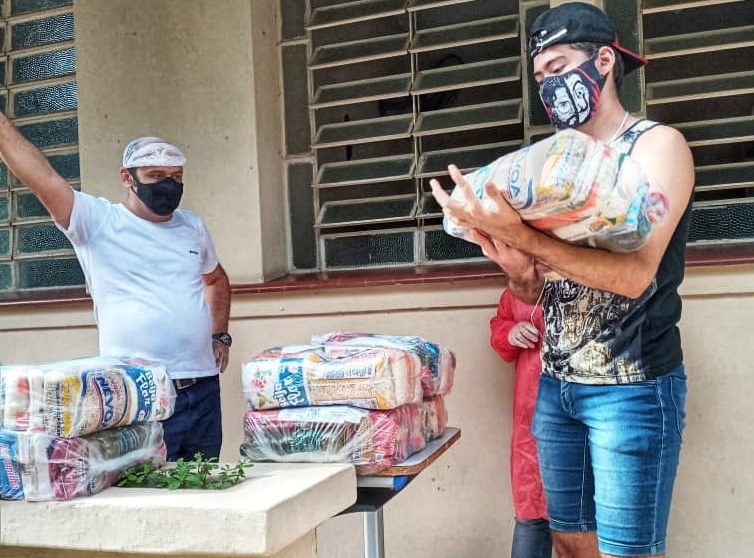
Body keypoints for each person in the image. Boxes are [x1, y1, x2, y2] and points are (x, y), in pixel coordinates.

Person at [430, 3, 694, 557]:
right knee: (568, 542)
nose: (549, 85)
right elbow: (534, 293)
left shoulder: (656, 147)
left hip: (632, 388)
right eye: (540, 76)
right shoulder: (552, 167)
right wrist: (514, 264)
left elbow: (635, 276)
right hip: (557, 385)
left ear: (604, 60)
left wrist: (526, 239)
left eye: (559, 67)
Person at [0, 117, 232, 462]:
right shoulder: (97, 221)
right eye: (156, 175)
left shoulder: (192, 225)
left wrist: (220, 334)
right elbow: (41, 177)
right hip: (141, 393)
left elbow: (215, 279)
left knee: (206, 482)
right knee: (146, 488)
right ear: (127, 178)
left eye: (175, 177)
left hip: (202, 388)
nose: (168, 185)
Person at [490, 287, 551, 558]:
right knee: (532, 512)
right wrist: (511, 332)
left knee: (584, 515)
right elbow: (500, 326)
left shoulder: (589, 276)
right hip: (532, 413)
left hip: (585, 410)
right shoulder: (523, 286)